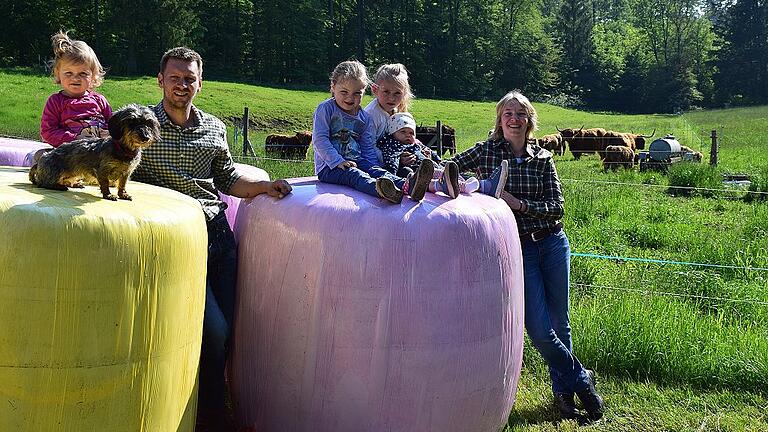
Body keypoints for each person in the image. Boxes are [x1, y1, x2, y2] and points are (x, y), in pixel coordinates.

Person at [131, 47, 292, 431]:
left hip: (219, 238)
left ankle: (207, 406)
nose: (182, 85)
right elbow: (123, 169)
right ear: (161, 80)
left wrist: (265, 187)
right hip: (177, 241)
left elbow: (226, 179)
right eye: (175, 78)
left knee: (227, 332)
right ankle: (209, 413)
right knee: (214, 330)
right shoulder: (142, 126)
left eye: (190, 79)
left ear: (200, 83)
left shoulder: (214, 128)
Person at [452, 90, 605, 422]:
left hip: (553, 244)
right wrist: (473, 187)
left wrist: (518, 204)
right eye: (508, 113)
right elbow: (450, 169)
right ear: (499, 119)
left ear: (530, 120)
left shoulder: (544, 158)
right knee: (538, 329)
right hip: (520, 247)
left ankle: (563, 395)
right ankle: (582, 380)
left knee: (560, 324)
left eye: (520, 113)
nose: (514, 119)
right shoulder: (487, 151)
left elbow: (557, 208)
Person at [312, 60, 432, 204]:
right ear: (333, 87)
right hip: (329, 167)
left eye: (357, 93)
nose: (350, 98)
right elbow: (320, 140)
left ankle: (408, 185)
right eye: (344, 92)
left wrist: (375, 167)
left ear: (365, 91)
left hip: (357, 160)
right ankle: (382, 190)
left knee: (377, 171)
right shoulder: (326, 109)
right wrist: (338, 161)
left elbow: (367, 146)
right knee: (355, 175)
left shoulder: (364, 117)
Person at [380, 112, 512, 199]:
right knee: (434, 173)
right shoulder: (393, 145)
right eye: (403, 132)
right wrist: (394, 170)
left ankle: (486, 186)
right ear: (393, 133)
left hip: (431, 167)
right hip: (417, 173)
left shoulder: (416, 144)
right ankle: (455, 186)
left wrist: (435, 158)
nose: (408, 136)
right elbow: (391, 159)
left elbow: (430, 152)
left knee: (453, 173)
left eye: (411, 133)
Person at [40, 31, 113, 147]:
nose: (75, 78)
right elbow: (48, 132)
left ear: (93, 75)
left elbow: (114, 124)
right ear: (58, 74)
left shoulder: (99, 100)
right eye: (68, 73)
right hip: (69, 154)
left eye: (83, 73)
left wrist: (110, 134)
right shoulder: (56, 102)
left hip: (99, 152)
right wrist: (75, 138)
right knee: (41, 156)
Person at [364, 63, 421, 171]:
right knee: (408, 172)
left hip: (396, 156)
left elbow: (406, 135)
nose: (391, 98)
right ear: (375, 90)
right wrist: (396, 158)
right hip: (377, 164)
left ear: (404, 93)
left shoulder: (398, 111)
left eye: (397, 93)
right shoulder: (371, 115)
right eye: (386, 92)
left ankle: (441, 176)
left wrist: (416, 149)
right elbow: (369, 147)